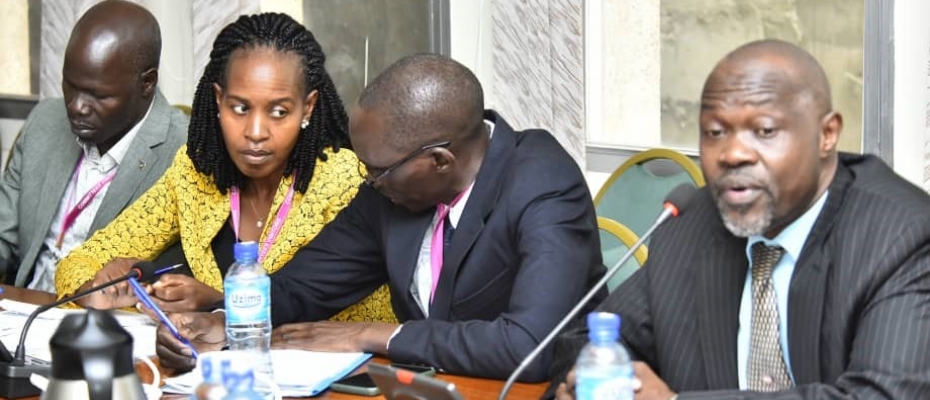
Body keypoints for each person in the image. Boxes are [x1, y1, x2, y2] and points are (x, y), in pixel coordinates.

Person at [154, 53, 605, 381]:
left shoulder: (544, 183)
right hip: (430, 389)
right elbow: (306, 285)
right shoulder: (393, 189)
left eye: (377, 170)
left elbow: (529, 346)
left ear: (440, 160)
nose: (366, 180)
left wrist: (373, 334)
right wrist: (226, 323)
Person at [549, 39, 930, 399]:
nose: (732, 153)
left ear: (827, 134)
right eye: (715, 132)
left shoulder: (902, 236)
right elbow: (587, 338)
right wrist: (597, 380)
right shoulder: (691, 223)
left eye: (763, 131)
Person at [54, 13, 395, 324]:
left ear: (308, 108)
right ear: (219, 101)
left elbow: (363, 320)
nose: (256, 132)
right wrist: (115, 293)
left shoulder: (343, 180)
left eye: (279, 112)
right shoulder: (195, 172)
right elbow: (76, 264)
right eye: (240, 108)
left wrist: (217, 305)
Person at [0, 0, 187, 292]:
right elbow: (3, 236)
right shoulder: (44, 121)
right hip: (22, 311)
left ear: (147, 83)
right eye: (70, 86)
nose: (76, 107)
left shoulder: (185, 151)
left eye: (98, 95)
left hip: (111, 325)